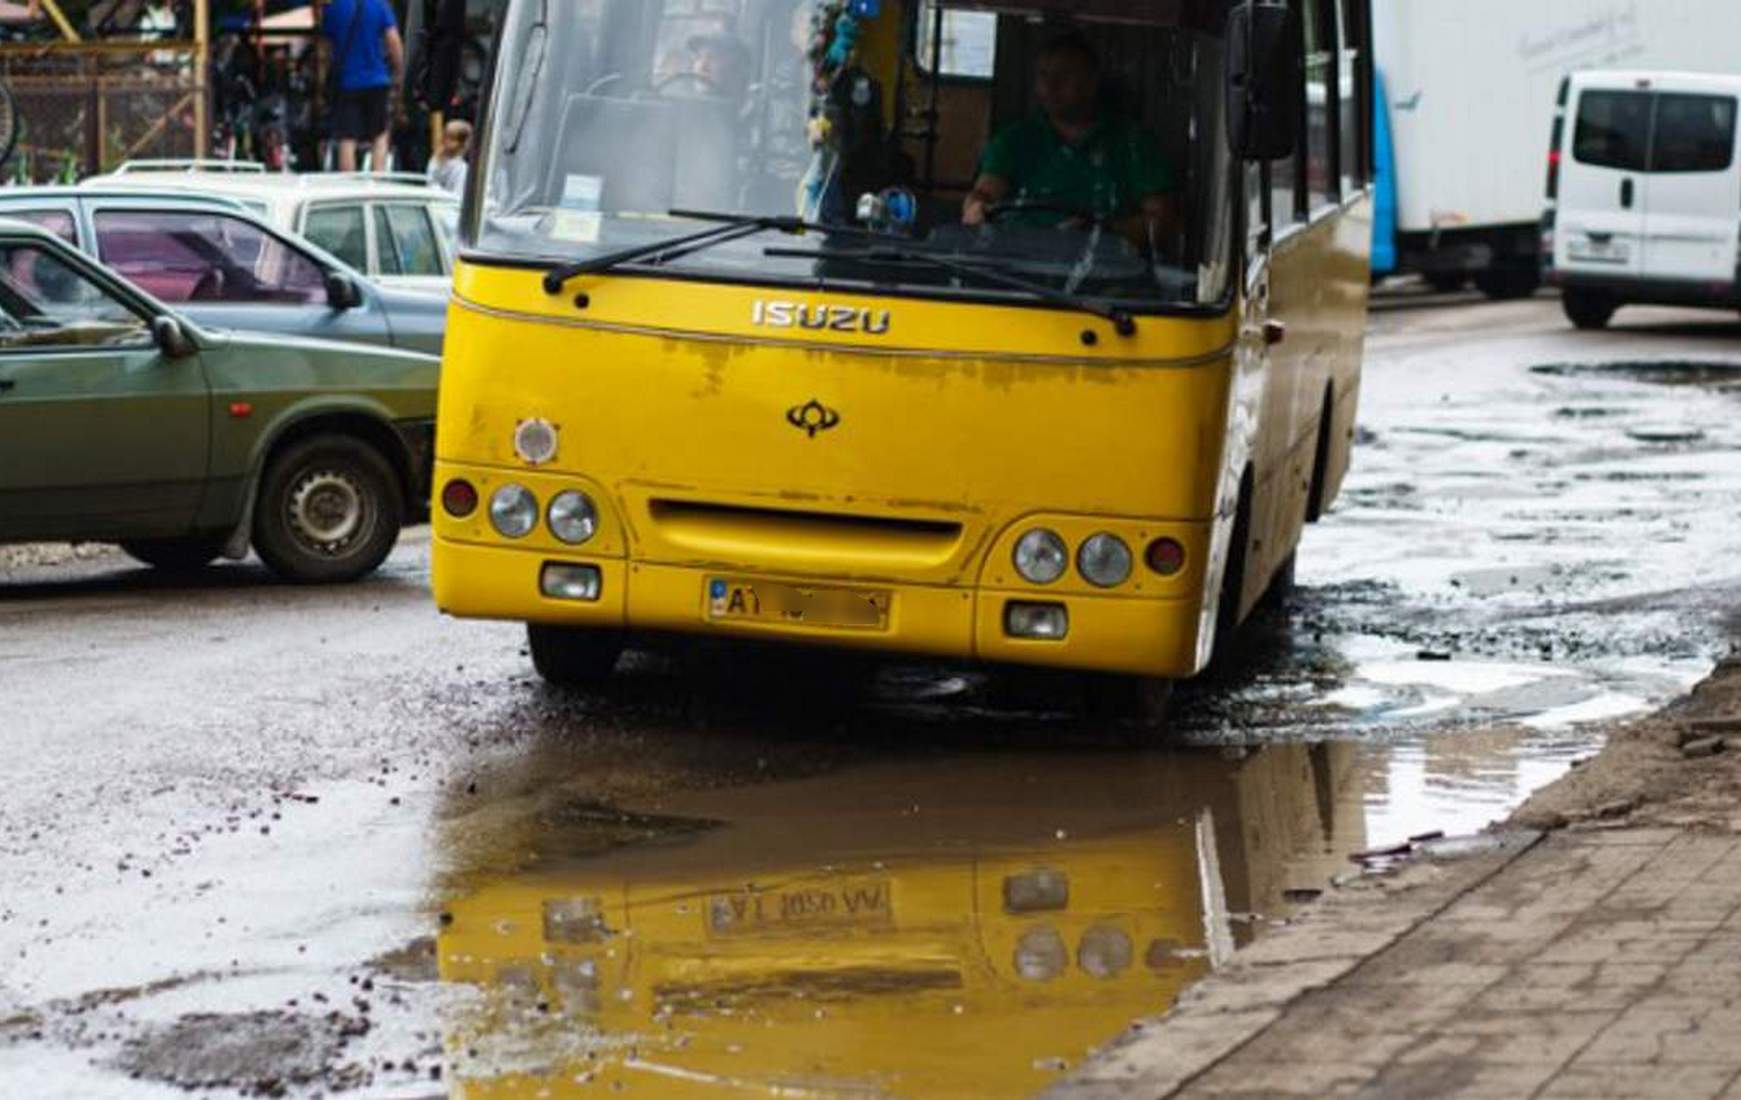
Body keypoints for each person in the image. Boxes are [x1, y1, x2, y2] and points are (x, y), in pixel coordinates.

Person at [962, 31, 1178, 251]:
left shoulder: (1136, 144)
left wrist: (1103, 231)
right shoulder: (1013, 140)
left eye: (1064, 75)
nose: (1051, 85)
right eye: (1043, 75)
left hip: (1106, 267)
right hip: (1017, 263)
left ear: (1092, 81)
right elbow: (984, 195)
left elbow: (1161, 223)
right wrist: (976, 208)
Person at [322, 0, 404, 173]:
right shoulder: (379, 6)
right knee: (379, 135)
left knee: (347, 138)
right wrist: (399, 72)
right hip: (377, 80)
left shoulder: (334, 8)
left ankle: (350, 186)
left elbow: (326, 48)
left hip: (347, 82)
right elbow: (393, 40)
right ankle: (377, 181)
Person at [427, 118, 471, 194]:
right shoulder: (436, 159)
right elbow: (429, 182)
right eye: (445, 136)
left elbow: (458, 192)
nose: (446, 141)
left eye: (451, 138)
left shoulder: (462, 167)